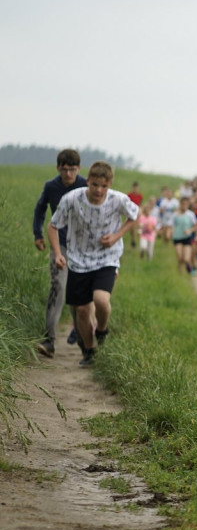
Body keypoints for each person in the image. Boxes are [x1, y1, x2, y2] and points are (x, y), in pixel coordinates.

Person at [47, 161, 139, 367]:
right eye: (95, 184)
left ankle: (102, 330)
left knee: (100, 300)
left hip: (107, 257)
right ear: (87, 181)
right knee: (81, 311)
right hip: (78, 259)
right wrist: (57, 253)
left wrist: (116, 236)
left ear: (110, 185)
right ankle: (89, 351)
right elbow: (53, 226)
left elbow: (135, 215)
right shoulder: (72, 199)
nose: (98, 190)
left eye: (104, 186)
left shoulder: (118, 200)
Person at [32, 149, 88, 358]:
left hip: (83, 246)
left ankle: (83, 339)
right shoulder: (51, 186)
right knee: (58, 286)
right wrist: (38, 234)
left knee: (79, 292)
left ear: (78, 169)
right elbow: (40, 210)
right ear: (58, 168)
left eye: (72, 170)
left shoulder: (86, 185)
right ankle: (49, 340)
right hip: (60, 244)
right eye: (64, 170)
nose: (67, 174)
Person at [171, 197, 197, 274]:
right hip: (177, 237)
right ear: (180, 204)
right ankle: (180, 273)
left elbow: (196, 226)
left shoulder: (191, 214)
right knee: (180, 257)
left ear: (188, 205)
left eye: (186, 204)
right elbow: (172, 225)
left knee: (186, 258)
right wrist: (171, 232)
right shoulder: (175, 214)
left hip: (187, 238)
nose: (184, 206)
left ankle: (189, 268)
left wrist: (190, 230)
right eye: (183, 204)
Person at [127, 181, 143, 248]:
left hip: (136, 213)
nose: (135, 189)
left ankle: (133, 241)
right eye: (134, 188)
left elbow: (140, 204)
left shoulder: (140, 196)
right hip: (130, 212)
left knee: (134, 227)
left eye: (137, 188)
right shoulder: (129, 195)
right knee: (131, 228)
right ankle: (133, 238)